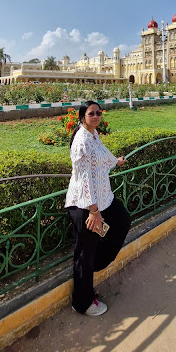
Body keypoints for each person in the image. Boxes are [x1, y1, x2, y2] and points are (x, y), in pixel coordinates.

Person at [65, 101, 131, 316]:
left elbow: (103, 155)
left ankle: (96, 263)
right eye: (91, 113)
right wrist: (94, 212)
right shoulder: (82, 141)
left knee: (122, 220)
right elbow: (85, 180)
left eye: (98, 113)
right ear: (82, 116)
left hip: (103, 199)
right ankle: (82, 303)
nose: (95, 116)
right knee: (85, 252)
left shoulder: (94, 135)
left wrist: (116, 161)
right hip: (86, 205)